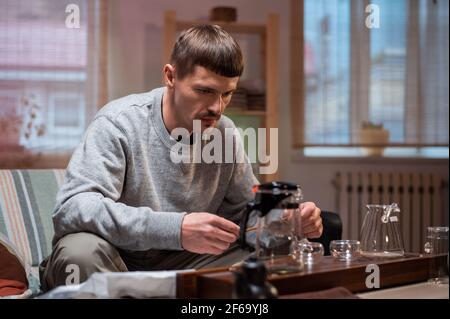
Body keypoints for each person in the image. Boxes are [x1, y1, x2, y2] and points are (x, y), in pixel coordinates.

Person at [39, 24, 323, 291]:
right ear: (171, 76)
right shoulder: (119, 122)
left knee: (282, 250)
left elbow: (245, 216)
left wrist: (284, 221)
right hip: (115, 259)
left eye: (227, 94)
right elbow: (72, 209)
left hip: (187, 261)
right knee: (79, 253)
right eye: (204, 91)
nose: (217, 107)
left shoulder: (224, 132)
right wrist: (176, 228)